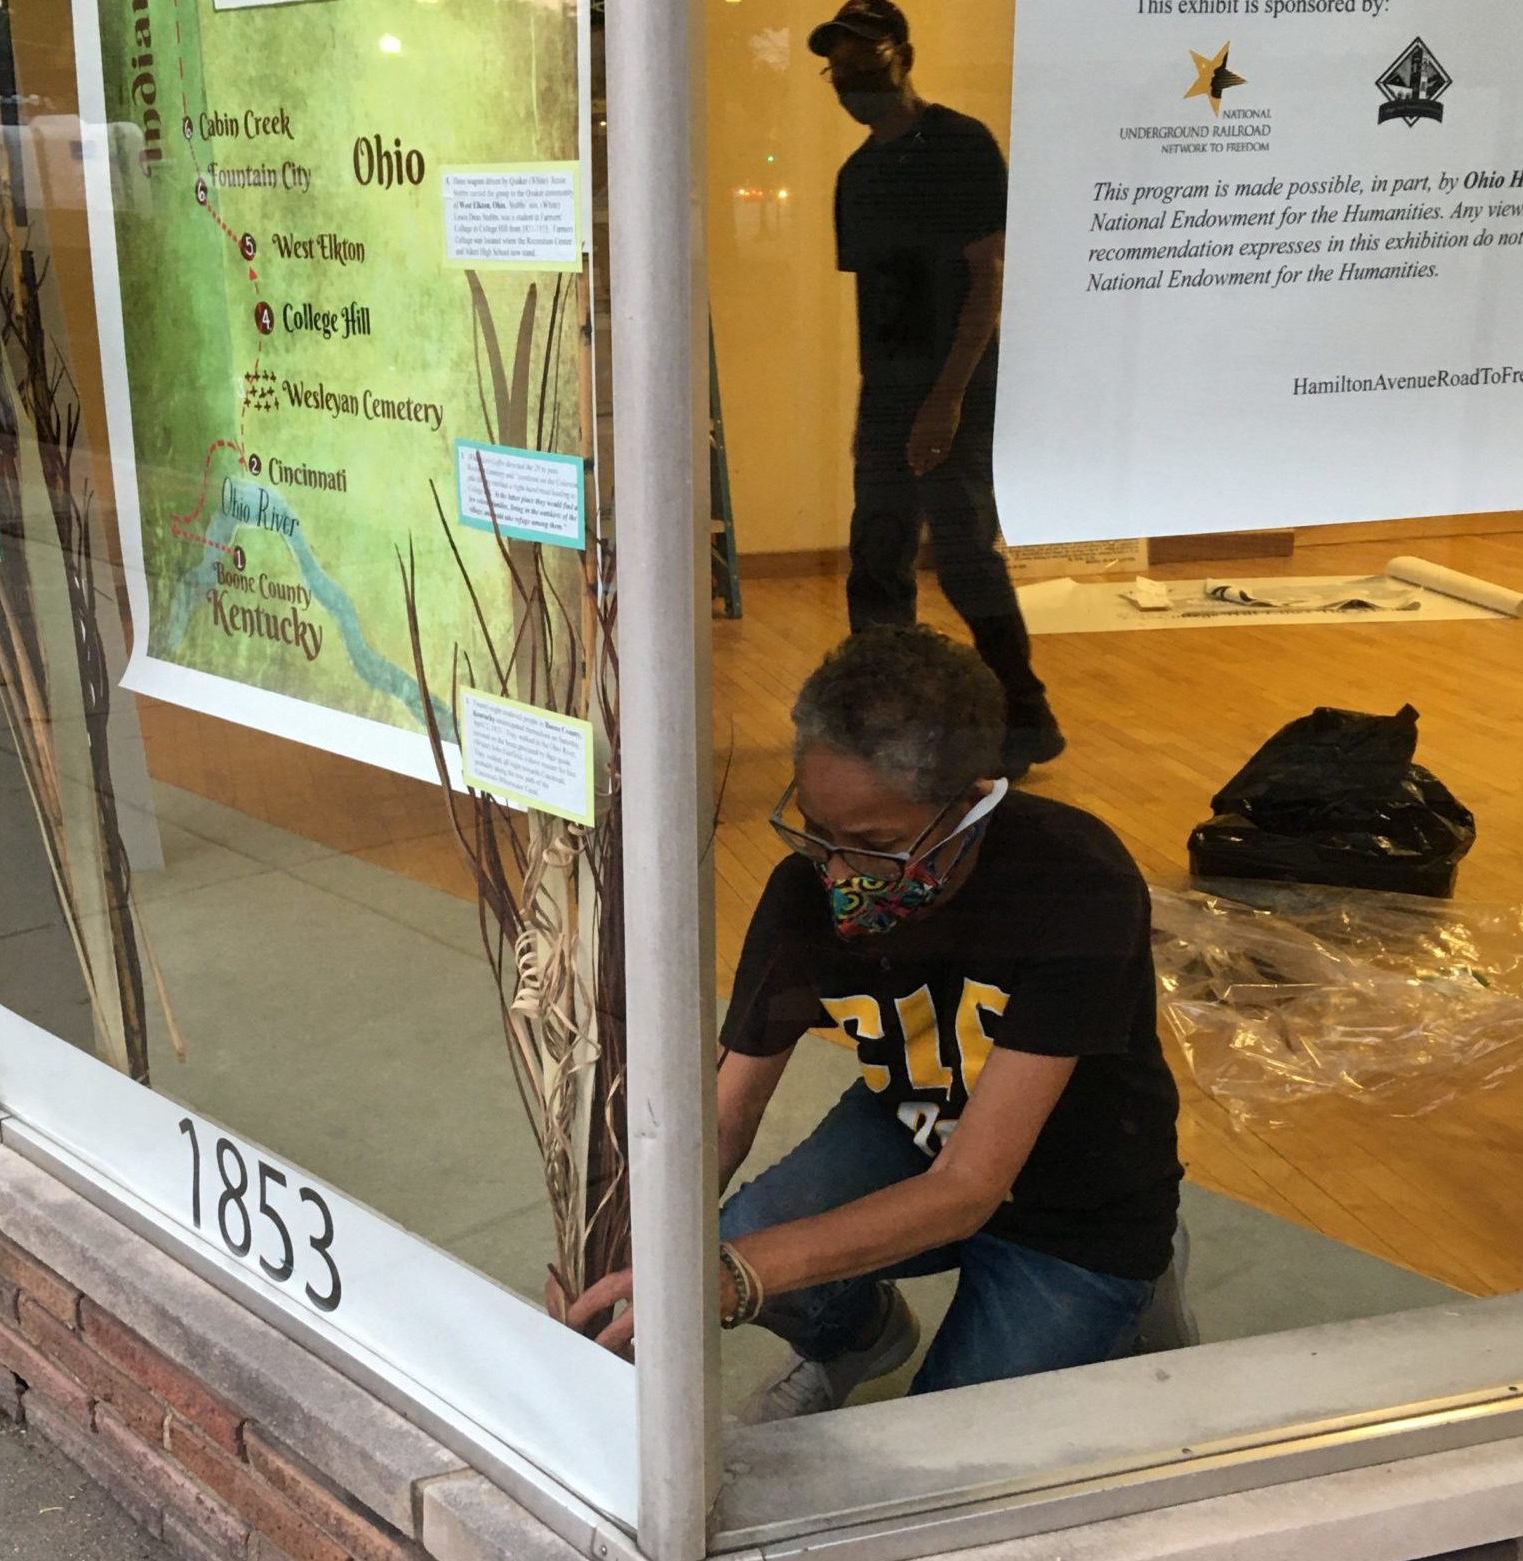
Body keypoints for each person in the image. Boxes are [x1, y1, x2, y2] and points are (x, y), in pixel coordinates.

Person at [570, 627, 1181, 1419]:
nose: (836, 875)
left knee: (929, 1451)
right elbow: (728, 1110)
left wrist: (734, 1273)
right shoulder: (805, 896)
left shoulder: (1076, 884)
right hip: (915, 1129)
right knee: (741, 1225)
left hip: (1077, 1215)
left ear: (973, 802)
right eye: (817, 834)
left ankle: (1125, 1307)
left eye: (873, 847)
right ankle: (861, 1336)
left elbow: (968, 1187)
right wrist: (621, 1255)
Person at [810, 0, 1060, 779]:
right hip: (889, 393)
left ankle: (1025, 716)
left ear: (904, 55)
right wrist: (876, 409)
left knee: (961, 555)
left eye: (864, 57)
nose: (850, 75)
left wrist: (947, 399)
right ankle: (885, 725)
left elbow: (986, 278)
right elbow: (878, 306)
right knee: (878, 554)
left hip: (961, 382)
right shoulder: (857, 177)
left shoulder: (962, 146)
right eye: (838, 64)